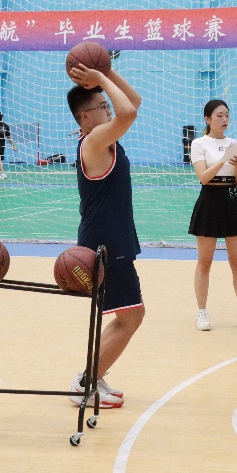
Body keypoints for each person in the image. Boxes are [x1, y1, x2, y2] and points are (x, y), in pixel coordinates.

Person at [65, 64, 144, 409]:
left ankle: (92, 377)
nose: (109, 109)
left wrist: (108, 72)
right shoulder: (95, 140)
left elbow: (132, 102)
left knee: (127, 316)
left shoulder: (103, 136)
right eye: (102, 106)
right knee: (132, 316)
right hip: (105, 243)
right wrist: (100, 79)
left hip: (112, 238)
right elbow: (128, 112)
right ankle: (85, 384)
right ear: (85, 117)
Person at [187, 99, 237, 331]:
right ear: (207, 119)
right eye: (219, 115)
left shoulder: (234, 144)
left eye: (227, 115)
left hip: (231, 201)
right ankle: (202, 312)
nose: (224, 119)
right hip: (209, 201)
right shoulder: (199, 143)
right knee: (204, 263)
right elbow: (203, 178)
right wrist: (224, 160)